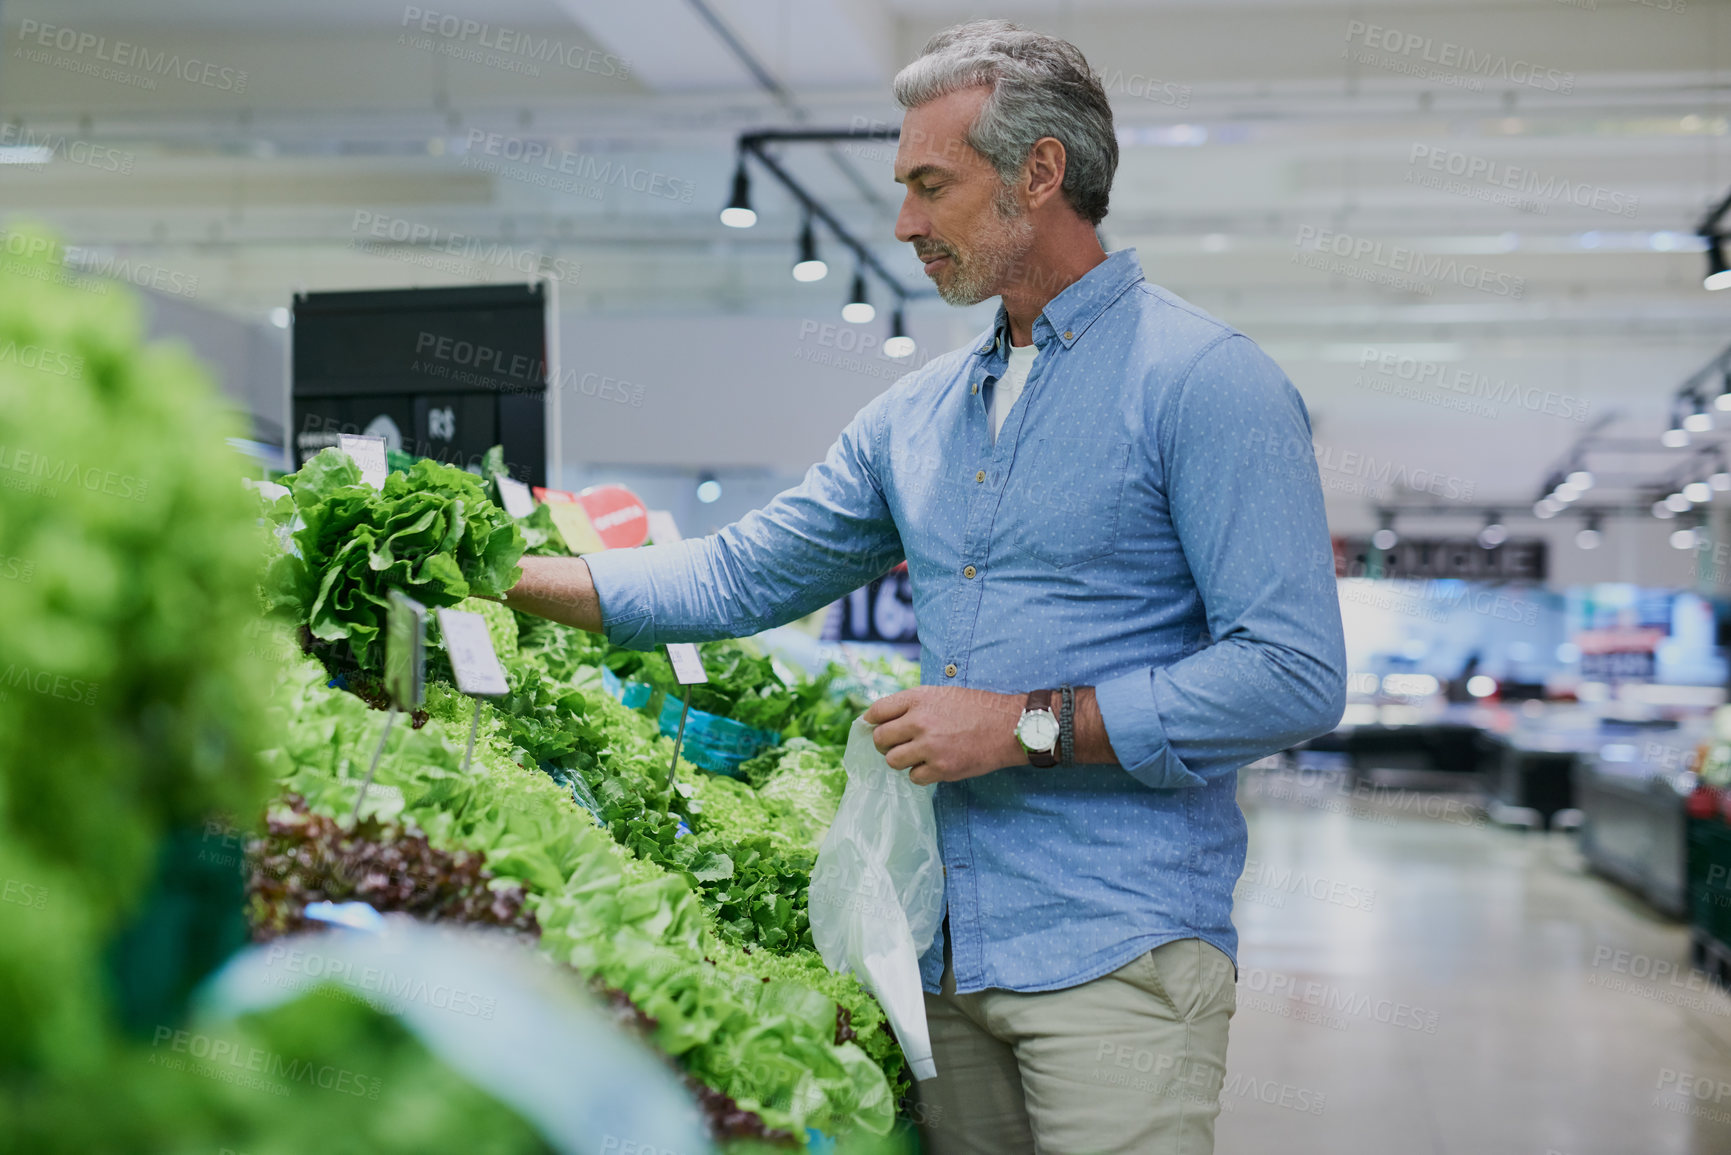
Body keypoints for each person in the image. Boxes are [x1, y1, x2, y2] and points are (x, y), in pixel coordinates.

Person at [505, 19, 1346, 1155]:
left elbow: (1291, 676)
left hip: (1117, 956)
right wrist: (492, 573)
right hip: (942, 957)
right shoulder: (916, 417)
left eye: (930, 186)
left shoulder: (1209, 384)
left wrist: (1022, 728)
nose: (903, 224)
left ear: (1040, 172)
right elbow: (741, 573)